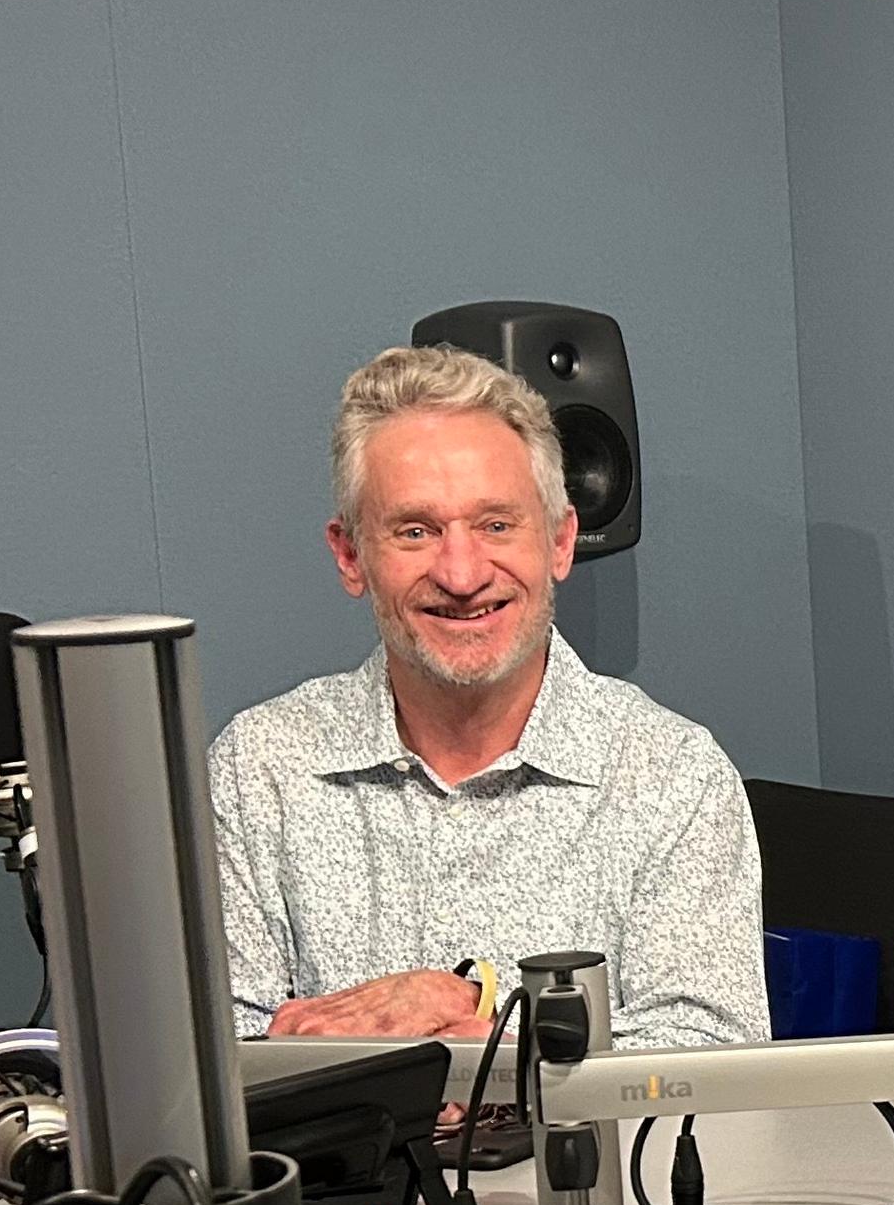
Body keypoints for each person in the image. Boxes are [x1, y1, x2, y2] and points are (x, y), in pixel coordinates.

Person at [210, 345, 769, 1052]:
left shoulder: (671, 775)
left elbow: (713, 1050)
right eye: (416, 531)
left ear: (560, 541)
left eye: (496, 525)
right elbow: (217, 1055)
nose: (463, 572)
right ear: (351, 555)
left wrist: (474, 1011)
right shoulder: (259, 768)